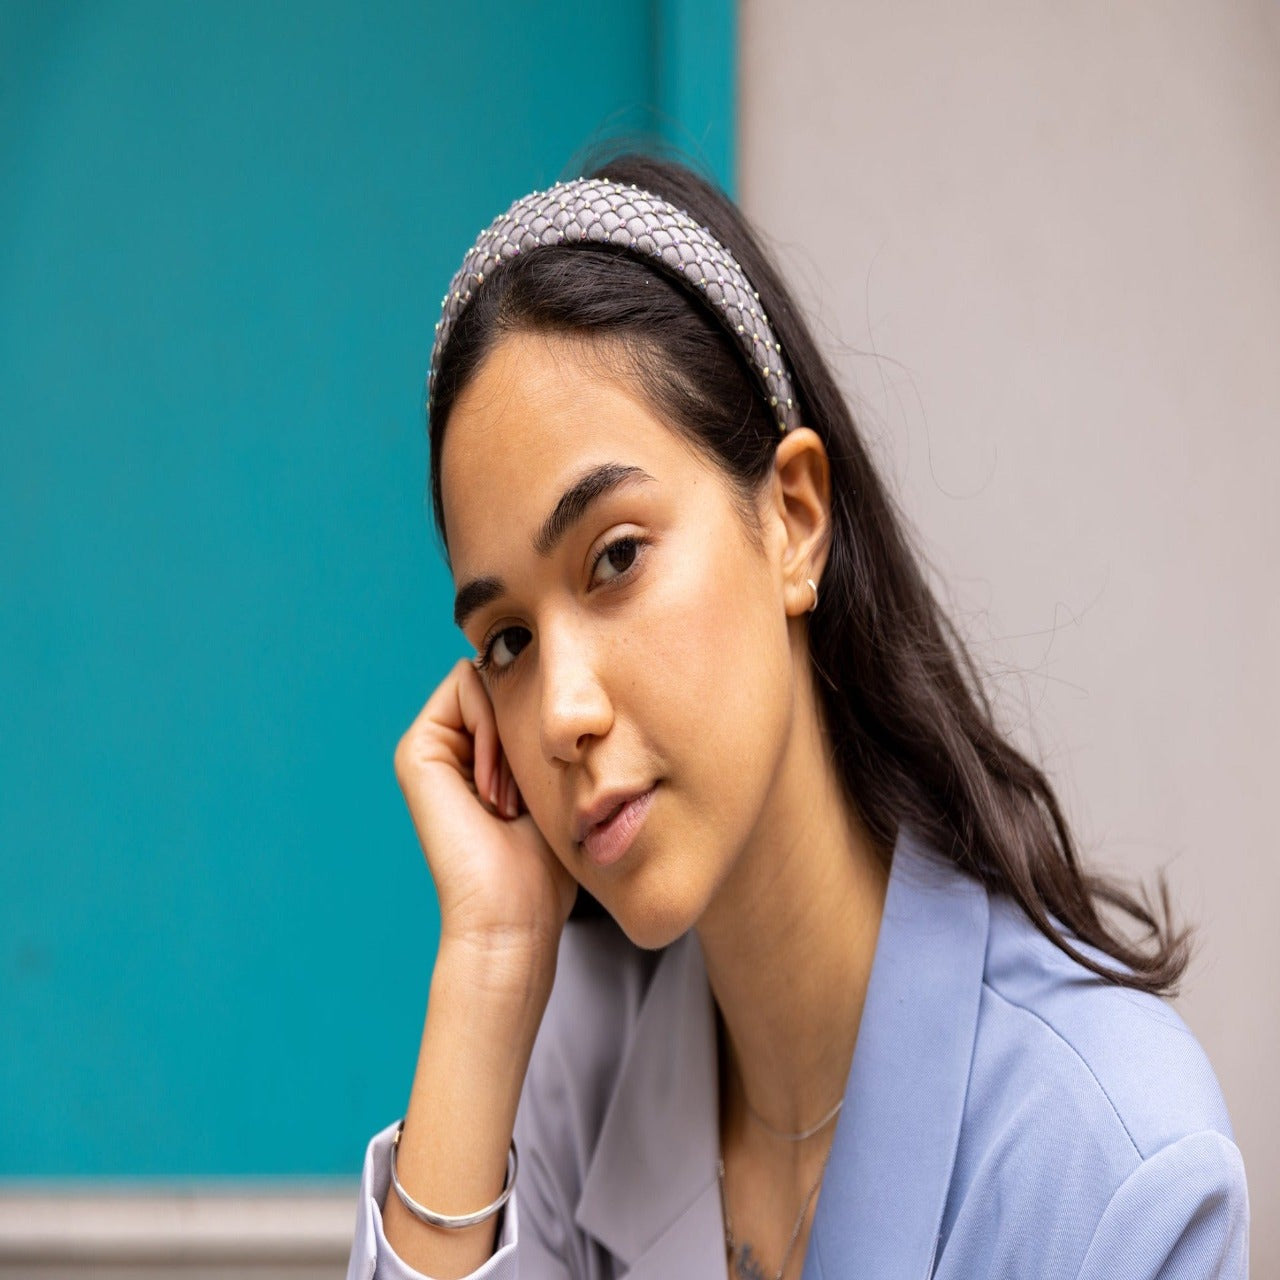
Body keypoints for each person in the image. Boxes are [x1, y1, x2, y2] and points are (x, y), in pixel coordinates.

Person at [346, 153, 1250, 1280]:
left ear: (793, 518)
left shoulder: (1104, 1158)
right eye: (508, 643)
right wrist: (487, 959)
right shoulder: (555, 1081)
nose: (562, 712)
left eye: (614, 558)